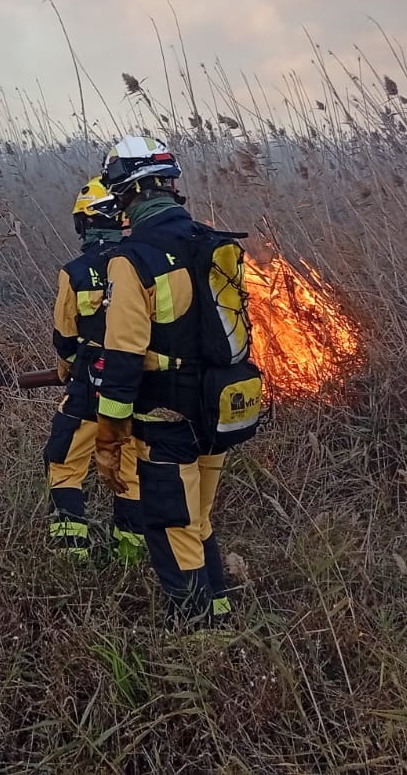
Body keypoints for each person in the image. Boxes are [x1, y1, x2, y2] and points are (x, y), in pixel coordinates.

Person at [93, 135, 239, 626]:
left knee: (171, 521)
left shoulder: (133, 258)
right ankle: (218, 614)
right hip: (220, 409)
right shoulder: (211, 241)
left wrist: (109, 437)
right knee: (198, 518)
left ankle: (198, 635)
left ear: (125, 193)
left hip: (167, 416)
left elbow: (122, 357)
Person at [43, 178, 144, 563]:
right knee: (129, 470)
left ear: (86, 224)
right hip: (134, 387)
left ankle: (72, 558)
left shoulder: (76, 272)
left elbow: (65, 335)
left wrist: (67, 365)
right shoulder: (140, 264)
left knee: (64, 462)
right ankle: (129, 557)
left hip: (88, 387)